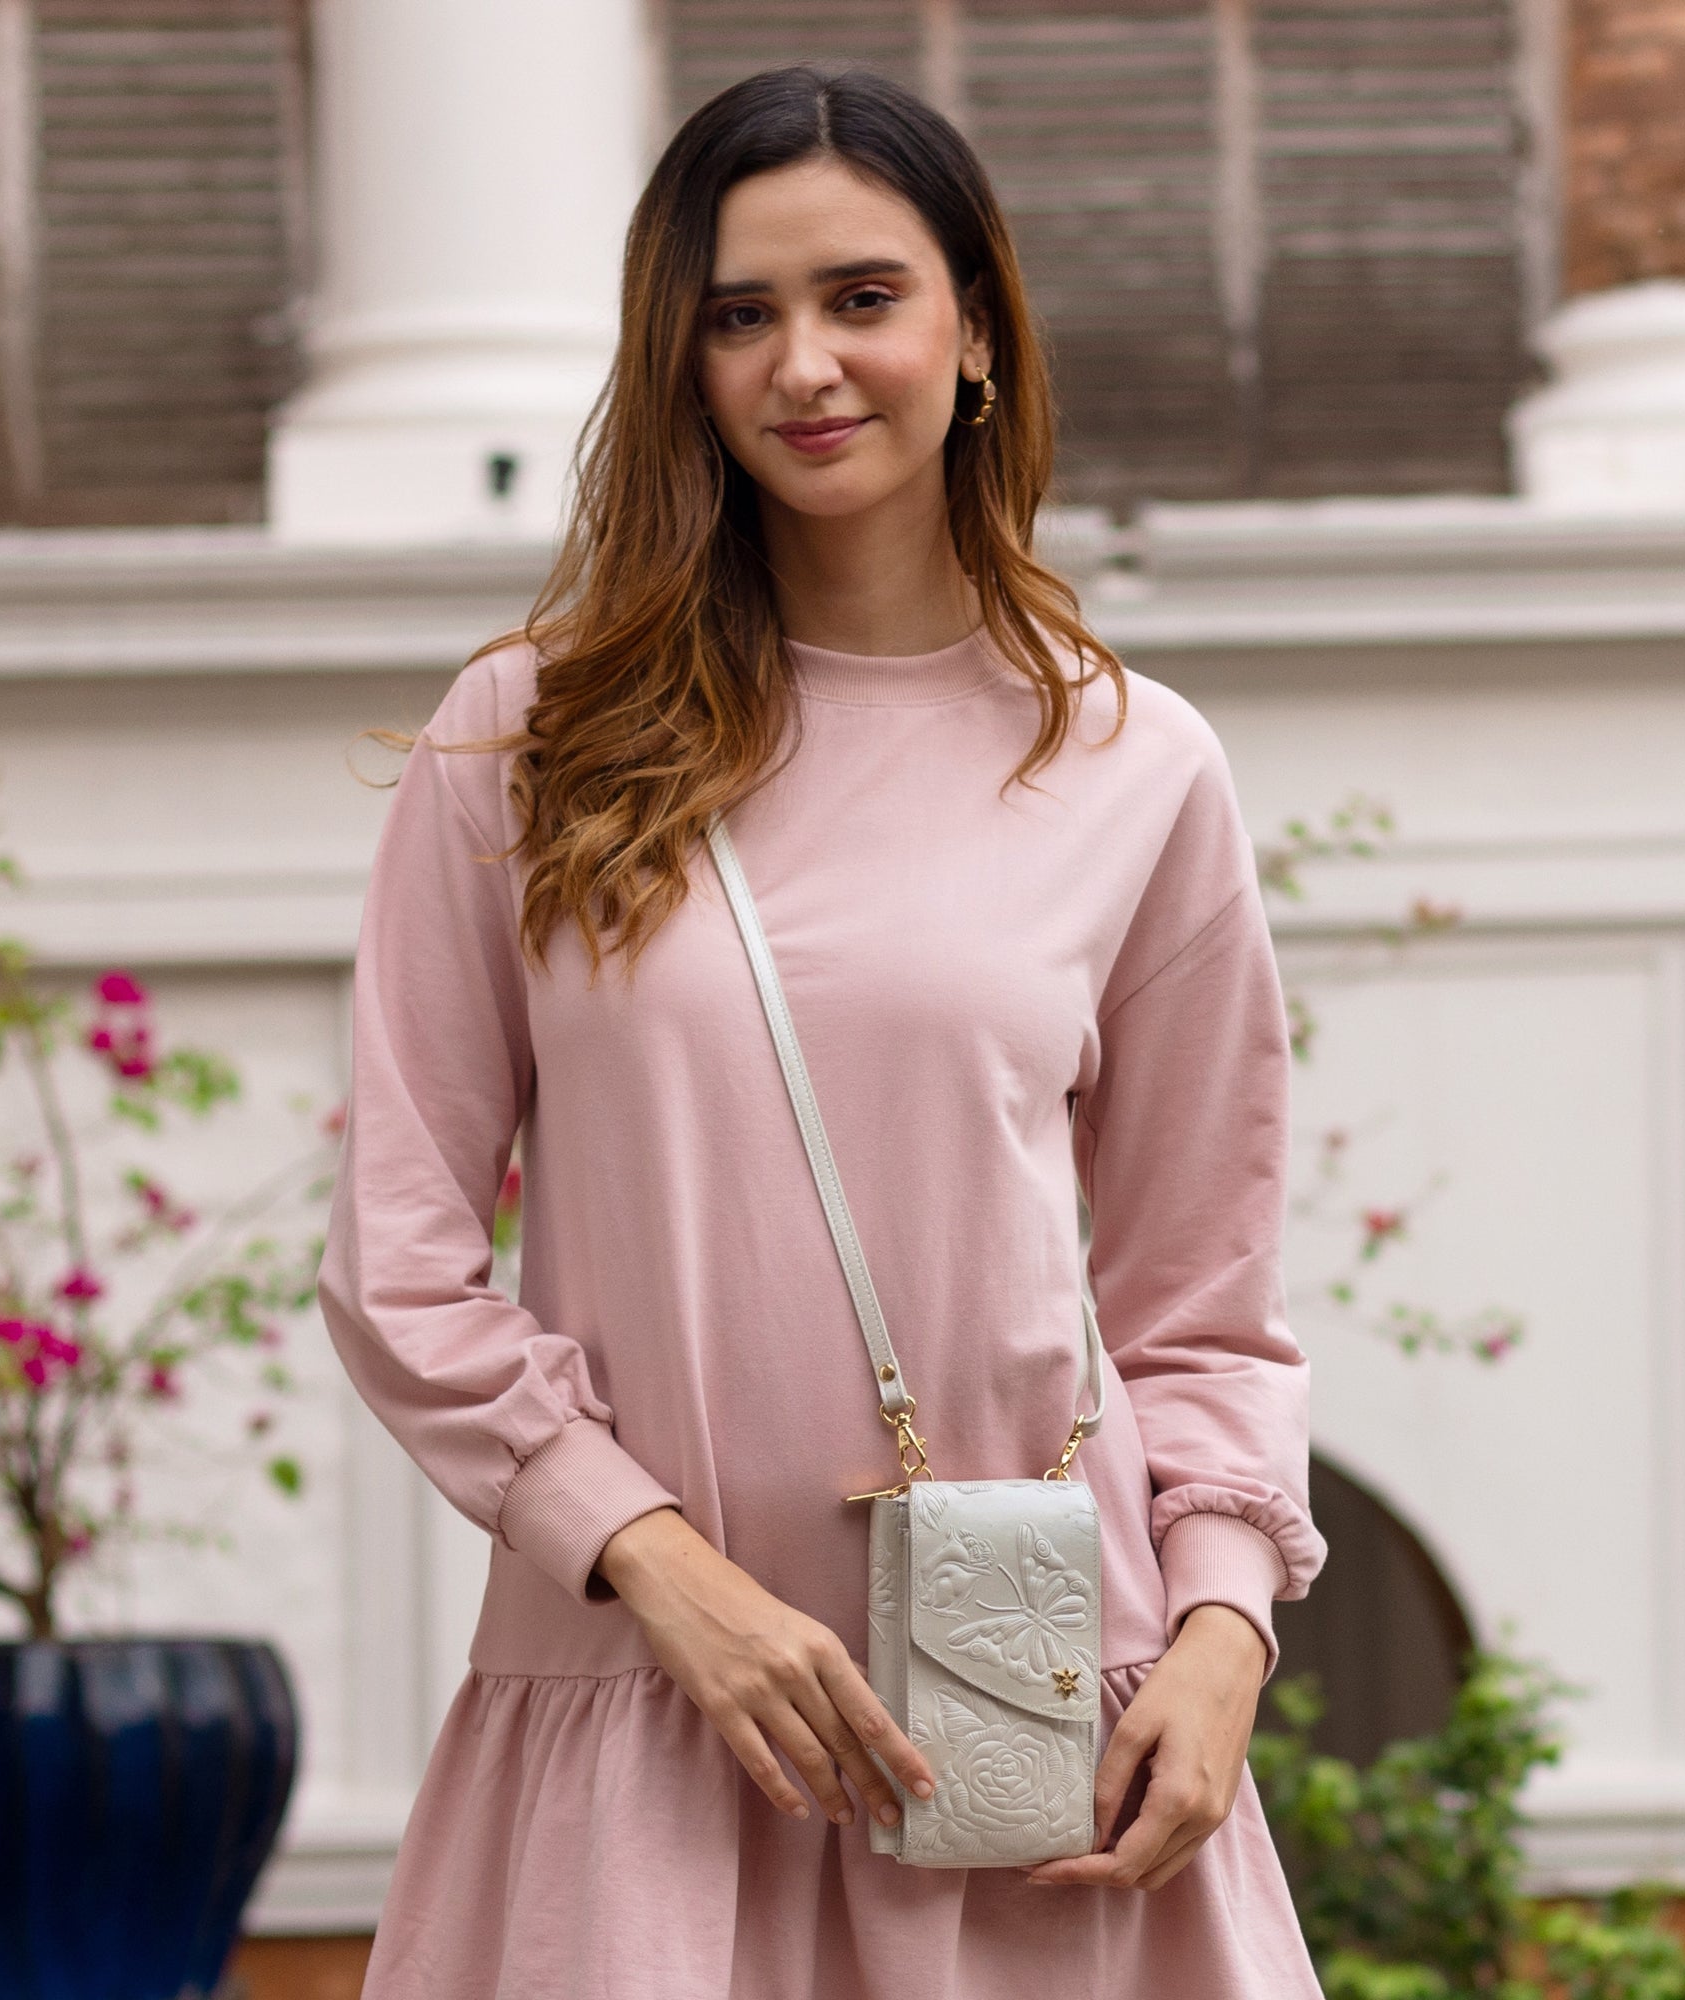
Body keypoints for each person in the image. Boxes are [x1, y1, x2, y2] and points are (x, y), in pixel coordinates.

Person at [318, 60, 1328, 2000]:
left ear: (972, 338)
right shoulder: (525, 743)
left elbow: (1203, 1298)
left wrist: (1216, 1637)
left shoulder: (1133, 765)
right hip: (646, 1713)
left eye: (861, 296)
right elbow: (401, 1259)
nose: (803, 362)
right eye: (738, 313)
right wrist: (657, 1565)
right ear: (680, 363)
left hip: (1033, 1716)